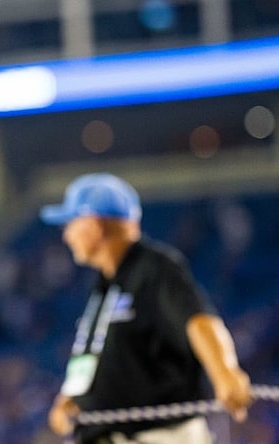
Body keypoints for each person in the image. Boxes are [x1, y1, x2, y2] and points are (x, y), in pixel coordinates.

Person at [40, 173, 252, 444]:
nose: (66, 235)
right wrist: (72, 399)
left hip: (159, 436)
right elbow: (100, 355)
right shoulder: (105, 284)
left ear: (94, 225)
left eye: (70, 224)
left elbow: (198, 320)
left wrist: (225, 371)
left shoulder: (155, 268)